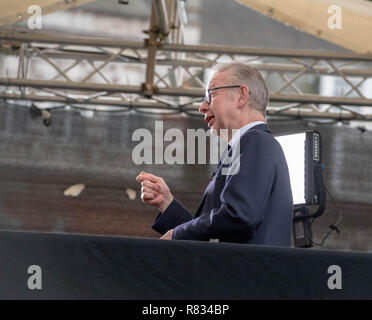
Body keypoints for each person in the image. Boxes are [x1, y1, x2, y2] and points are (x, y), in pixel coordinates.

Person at [136, 62, 293, 246]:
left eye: (211, 94)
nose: (202, 106)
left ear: (242, 95)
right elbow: (213, 237)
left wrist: (178, 234)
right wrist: (167, 204)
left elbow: (238, 218)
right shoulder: (247, 146)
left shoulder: (255, 142)